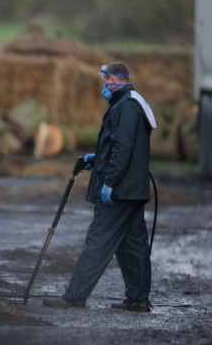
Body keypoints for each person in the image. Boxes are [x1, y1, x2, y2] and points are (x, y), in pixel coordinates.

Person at [43, 62, 157, 312]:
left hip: (119, 191)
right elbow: (121, 145)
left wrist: (109, 182)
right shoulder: (130, 102)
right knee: (132, 244)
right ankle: (137, 299)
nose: (103, 85)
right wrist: (97, 158)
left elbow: (124, 148)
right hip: (131, 190)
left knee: (98, 241)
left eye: (106, 81)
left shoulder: (125, 106)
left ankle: (73, 298)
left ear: (115, 80)